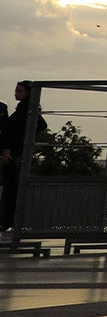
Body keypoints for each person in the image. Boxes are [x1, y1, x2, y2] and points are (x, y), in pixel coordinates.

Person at [1, 81, 50, 235]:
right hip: (18, 151)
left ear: (28, 93)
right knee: (12, 186)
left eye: (20, 91)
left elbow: (10, 131)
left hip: (14, 153)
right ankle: (8, 219)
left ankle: (7, 219)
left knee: (11, 186)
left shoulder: (24, 110)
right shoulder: (28, 109)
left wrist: (10, 147)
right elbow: (41, 125)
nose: (16, 93)